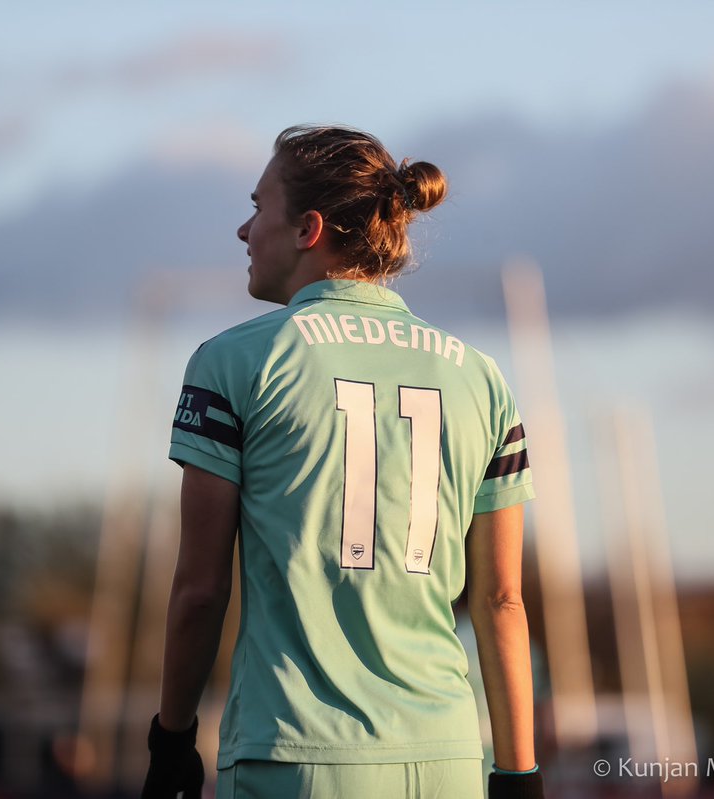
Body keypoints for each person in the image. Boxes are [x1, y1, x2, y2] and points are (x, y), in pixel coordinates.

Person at [143, 125, 543, 799]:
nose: (243, 231)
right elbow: (501, 597)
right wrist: (519, 772)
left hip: (294, 755)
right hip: (448, 759)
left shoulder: (234, 361)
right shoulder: (482, 377)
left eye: (256, 206)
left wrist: (172, 741)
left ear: (307, 228)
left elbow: (200, 591)